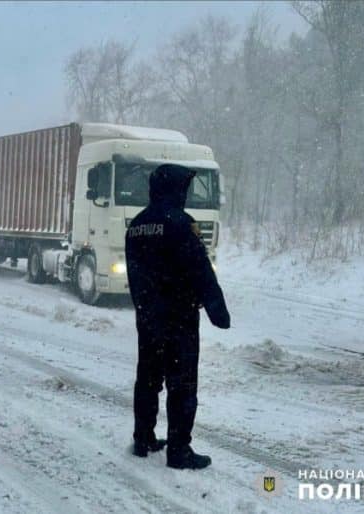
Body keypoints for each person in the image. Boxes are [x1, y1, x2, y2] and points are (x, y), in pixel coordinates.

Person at [125, 163, 230, 470]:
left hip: (147, 317)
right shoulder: (180, 224)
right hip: (179, 319)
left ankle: (143, 438)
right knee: (181, 385)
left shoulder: (138, 224)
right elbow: (200, 270)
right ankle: (179, 450)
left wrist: (145, 305)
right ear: (175, 189)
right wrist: (217, 310)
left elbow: (134, 272)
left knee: (148, 380)